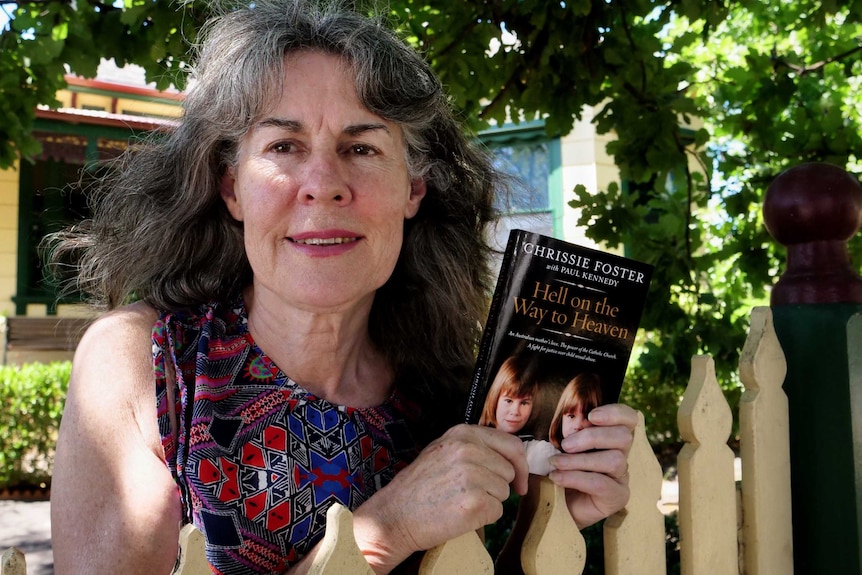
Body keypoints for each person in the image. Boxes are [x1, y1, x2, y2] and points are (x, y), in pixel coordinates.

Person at [47, 1, 637, 573]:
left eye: (361, 148)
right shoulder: (147, 366)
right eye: (283, 146)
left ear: (413, 190)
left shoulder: (458, 398)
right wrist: (387, 531)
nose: (324, 185)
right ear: (231, 188)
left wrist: (553, 523)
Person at [478, 354, 540, 435]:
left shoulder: (536, 445)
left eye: (524, 403)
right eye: (508, 401)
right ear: (495, 400)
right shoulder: (474, 433)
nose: (515, 412)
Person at [548, 373, 604, 451]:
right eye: (571, 416)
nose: (578, 426)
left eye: (587, 417)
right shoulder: (547, 452)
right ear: (560, 419)